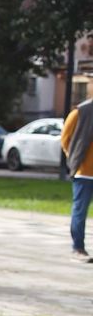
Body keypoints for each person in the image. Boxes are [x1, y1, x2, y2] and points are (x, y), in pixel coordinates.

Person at [59, 97, 93, 259]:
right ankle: (78, 247)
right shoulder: (80, 111)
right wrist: (74, 159)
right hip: (84, 172)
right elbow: (65, 139)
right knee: (80, 211)